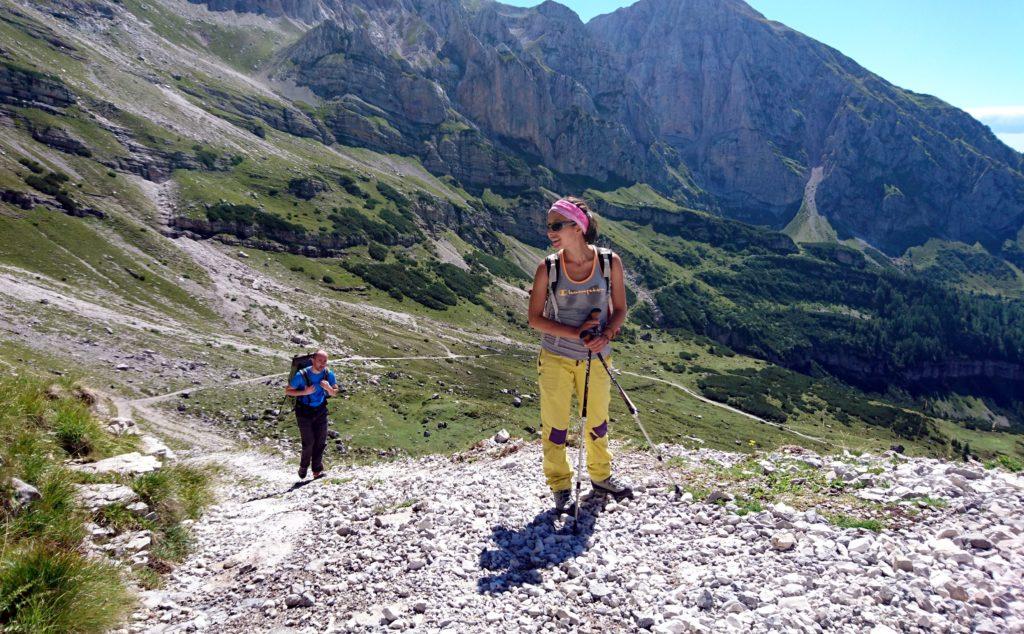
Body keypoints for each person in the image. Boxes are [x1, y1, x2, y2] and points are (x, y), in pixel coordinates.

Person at [527, 196, 632, 512]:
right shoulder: (548, 268)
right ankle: (561, 486)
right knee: (555, 426)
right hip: (556, 357)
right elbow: (535, 319)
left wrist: (606, 334)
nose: (550, 233)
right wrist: (580, 334)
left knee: (598, 422)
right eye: (549, 227)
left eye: (557, 225)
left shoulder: (609, 262)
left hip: (597, 357)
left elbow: (621, 309)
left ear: (579, 226)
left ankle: (601, 476)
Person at [284, 349, 338, 480]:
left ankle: (317, 470)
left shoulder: (328, 374)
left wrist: (329, 389)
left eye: (325, 361)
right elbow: (288, 391)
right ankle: (303, 467)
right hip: (303, 411)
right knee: (308, 443)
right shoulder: (301, 375)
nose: (322, 364)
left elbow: (335, 391)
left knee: (321, 441)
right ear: (313, 360)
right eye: (320, 361)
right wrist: (304, 392)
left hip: (320, 410)